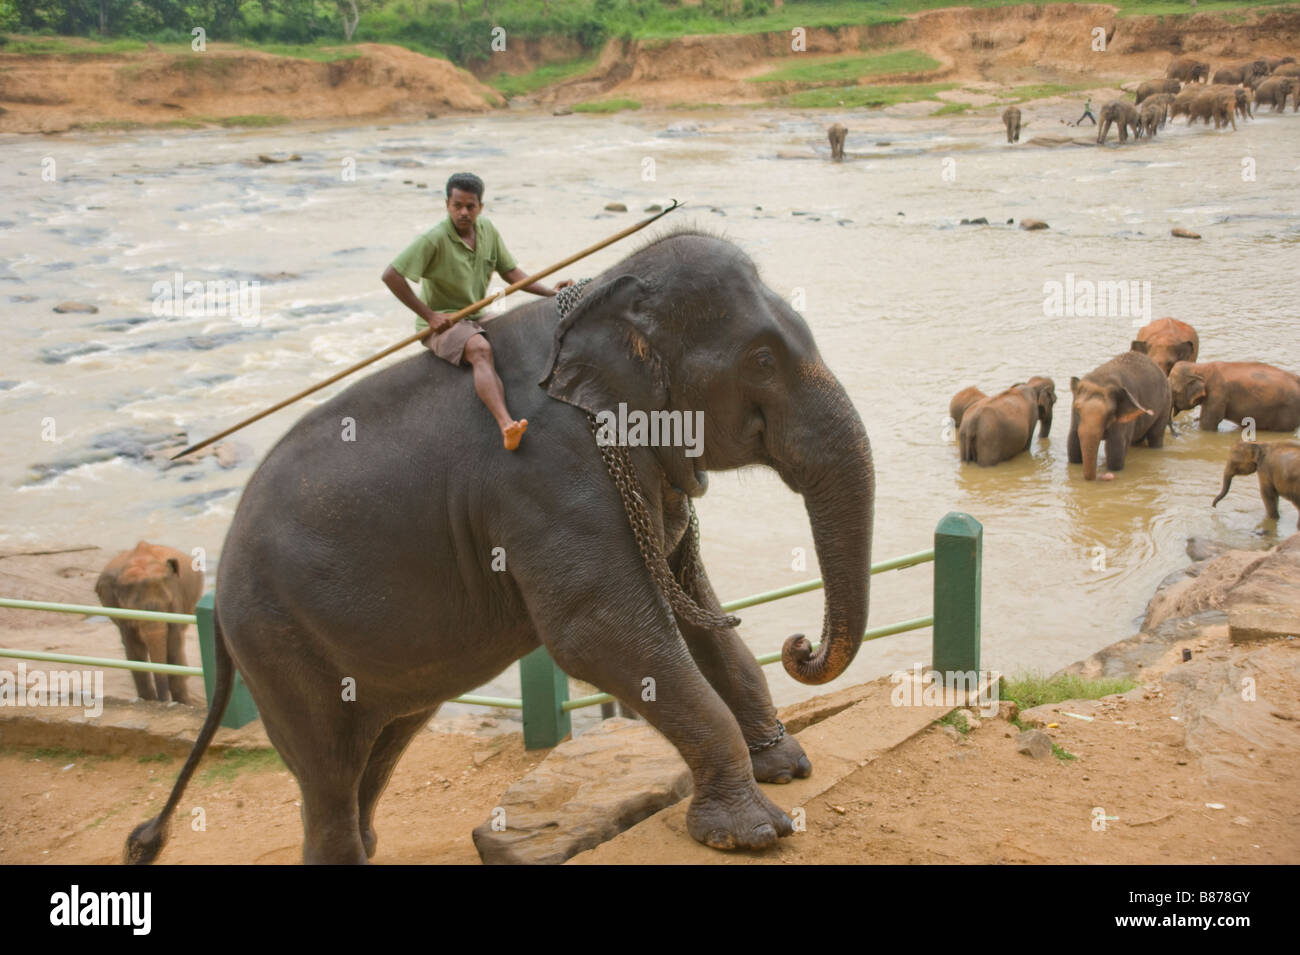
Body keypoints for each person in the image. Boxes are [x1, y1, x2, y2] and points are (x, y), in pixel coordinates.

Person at [382, 172, 571, 450]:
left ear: (480, 207)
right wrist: (430, 316)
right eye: (457, 205)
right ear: (447, 204)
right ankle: (506, 426)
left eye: (470, 206)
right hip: (444, 321)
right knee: (480, 349)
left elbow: (510, 273)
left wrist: (550, 293)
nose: (463, 212)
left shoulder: (487, 230)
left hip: (475, 313)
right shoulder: (433, 239)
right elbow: (391, 275)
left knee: (519, 328)